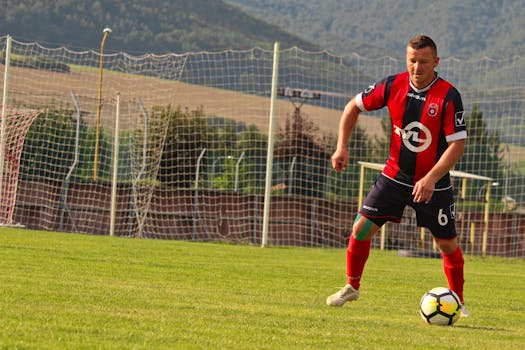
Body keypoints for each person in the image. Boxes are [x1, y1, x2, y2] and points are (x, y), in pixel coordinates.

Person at [326, 35, 469, 317]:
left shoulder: (448, 96)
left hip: (434, 184)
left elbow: (457, 145)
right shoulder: (392, 85)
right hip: (394, 176)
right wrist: (341, 146)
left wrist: (430, 178)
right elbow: (352, 106)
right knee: (361, 229)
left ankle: (458, 301)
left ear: (436, 62)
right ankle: (351, 286)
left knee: (446, 244)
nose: (417, 67)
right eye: (412, 61)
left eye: (424, 61)